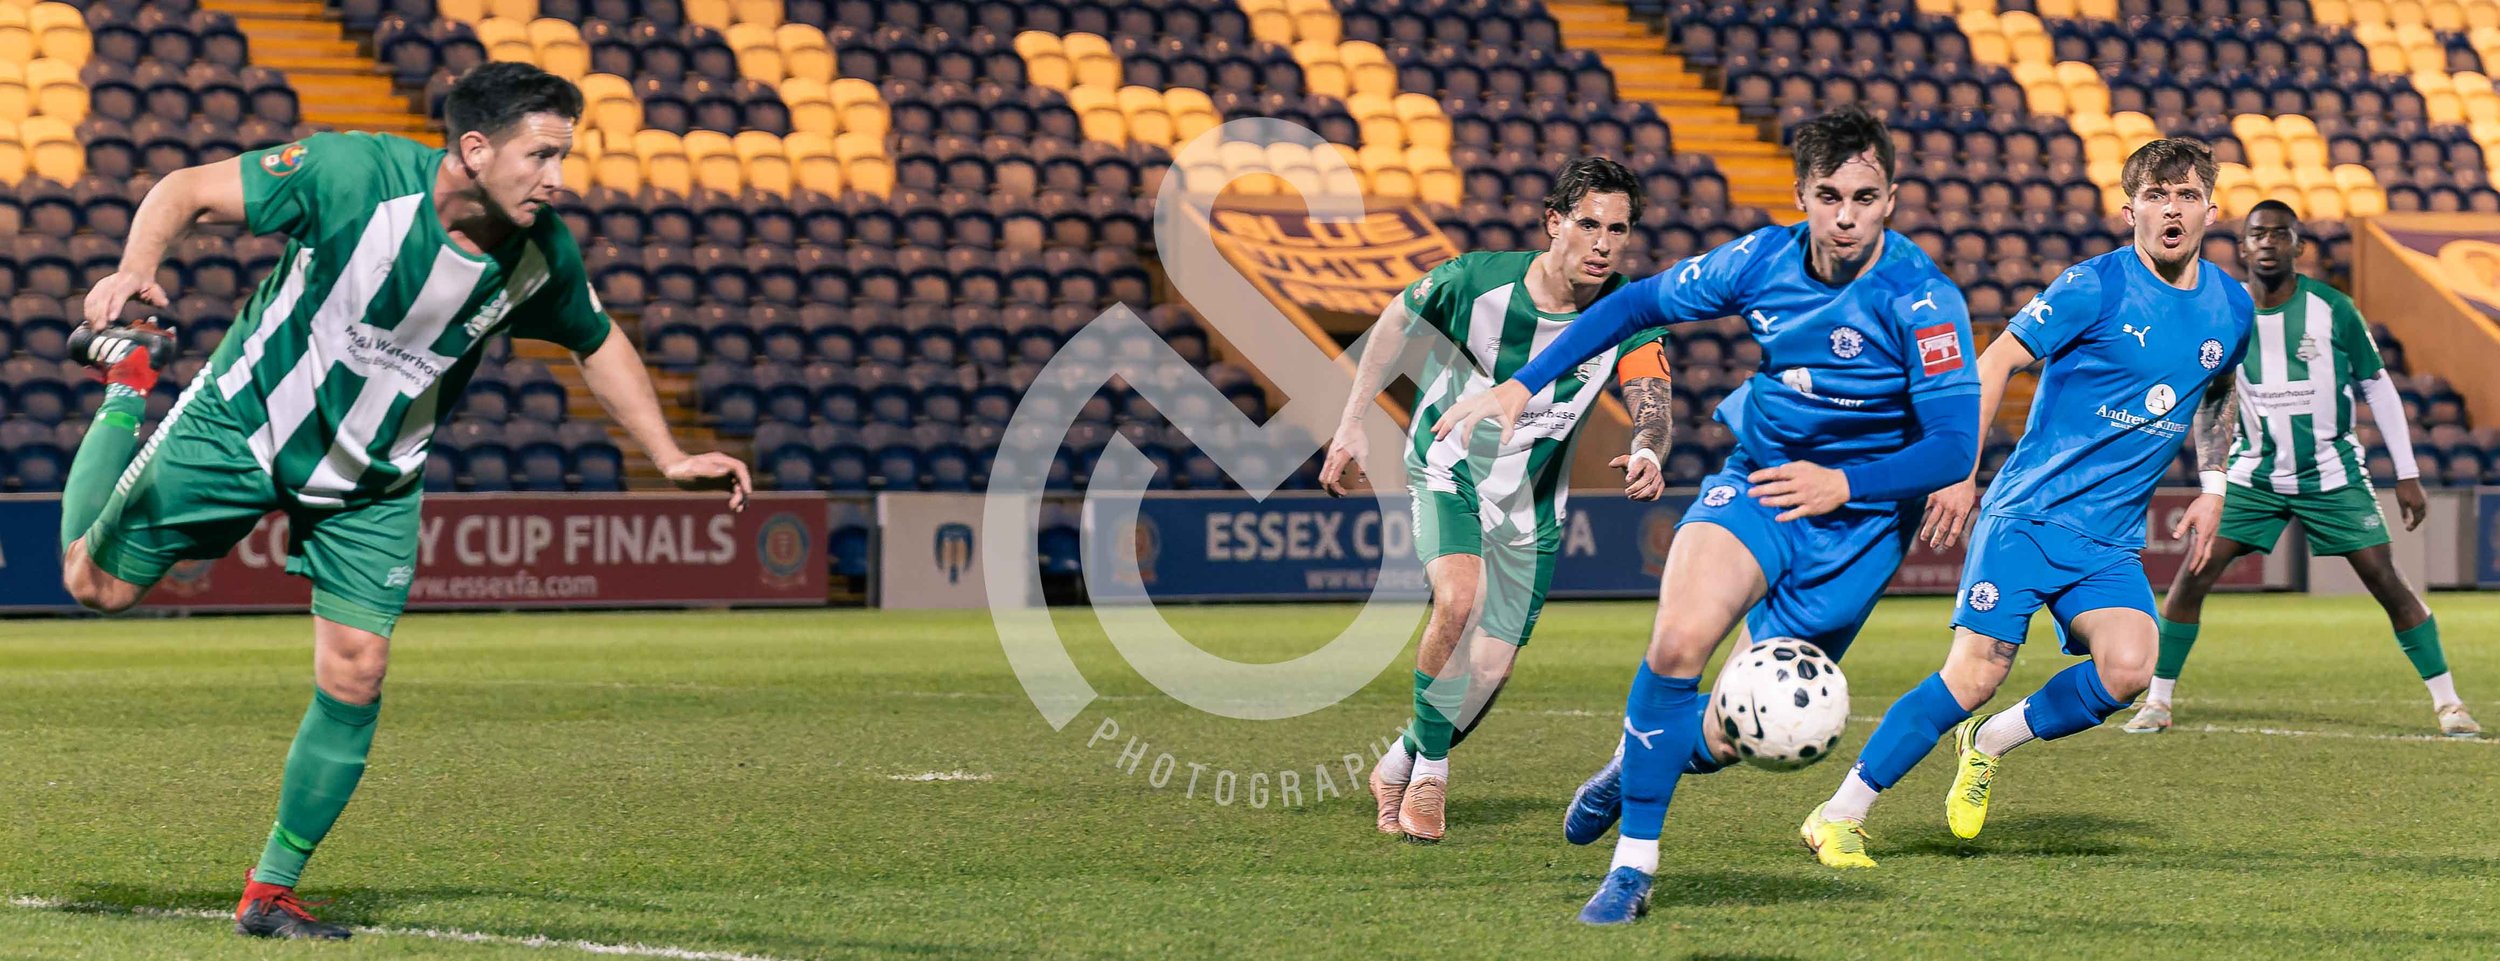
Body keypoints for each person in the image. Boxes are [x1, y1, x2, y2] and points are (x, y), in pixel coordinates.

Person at [60, 62, 750, 940]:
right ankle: (129, 381)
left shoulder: (541, 254)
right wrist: (133, 271)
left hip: (374, 479)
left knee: (357, 670)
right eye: (541, 155)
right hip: (242, 427)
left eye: (564, 156)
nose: (558, 177)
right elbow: (183, 190)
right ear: (472, 149)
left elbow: (596, 336)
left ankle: (270, 891)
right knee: (95, 588)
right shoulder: (355, 175)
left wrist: (668, 452)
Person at [1428, 106, 1981, 924]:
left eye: (1865, 197)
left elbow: (1953, 448)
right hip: (1757, 483)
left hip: (1858, 530)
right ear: (1801, 194)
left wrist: (1844, 482)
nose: (1845, 216)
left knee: (1736, 733)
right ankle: (1633, 867)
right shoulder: (1760, 260)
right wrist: (1521, 382)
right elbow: (1632, 307)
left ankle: (1633, 766)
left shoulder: (1923, 299)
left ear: (1892, 198)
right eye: (1828, 195)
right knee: (1680, 640)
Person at [1798, 138, 2253, 866]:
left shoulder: (2231, 304)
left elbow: (2222, 388)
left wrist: (2213, 484)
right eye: (2159, 195)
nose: (2174, 209)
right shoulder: (2092, 285)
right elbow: (1997, 360)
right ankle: (1840, 811)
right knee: (1975, 672)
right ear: (2128, 207)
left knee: (2132, 667)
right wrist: (1957, 466)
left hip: (2108, 539)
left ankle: (1987, 742)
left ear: (2211, 209)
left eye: (2189, 195)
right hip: (2029, 516)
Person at [1319, 157, 1672, 844]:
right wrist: (1353, 420)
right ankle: (1431, 778)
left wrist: (1649, 448)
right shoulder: (1476, 279)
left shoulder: (1627, 307)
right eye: (1589, 224)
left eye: (1618, 229)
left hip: (1531, 506)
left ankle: (1397, 763)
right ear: (1553, 222)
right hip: (1448, 468)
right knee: (1459, 598)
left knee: (1489, 669)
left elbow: (1651, 399)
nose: (1603, 243)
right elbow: (1394, 321)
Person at [2126, 200, 2477, 738]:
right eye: (2257, 234)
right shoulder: (2224, 313)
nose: (2267, 242)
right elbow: (2211, 400)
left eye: (2279, 234)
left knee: (2387, 581)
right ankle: (2158, 700)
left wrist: (2406, 473)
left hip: (2331, 475)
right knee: (2192, 575)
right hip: (2254, 476)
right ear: (2242, 247)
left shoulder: (2333, 308)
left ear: (2298, 247)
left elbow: (2378, 388)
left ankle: (2450, 705)